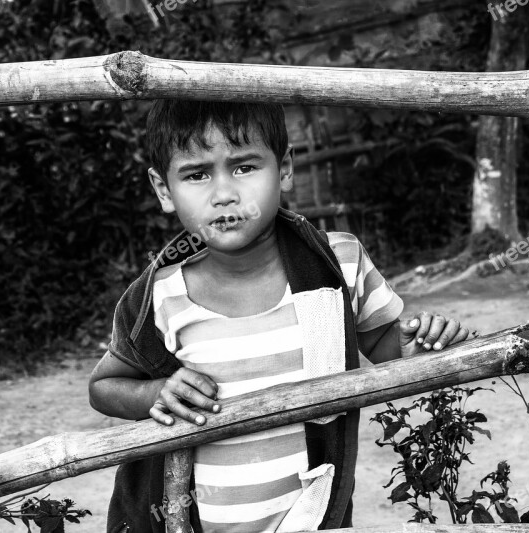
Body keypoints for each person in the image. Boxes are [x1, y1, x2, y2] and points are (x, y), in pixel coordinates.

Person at [88, 100, 471, 533]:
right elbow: (104, 387)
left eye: (245, 167)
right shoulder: (159, 295)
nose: (224, 194)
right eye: (196, 174)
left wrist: (413, 345)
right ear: (163, 189)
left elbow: (386, 348)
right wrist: (155, 393)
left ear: (284, 168)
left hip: (314, 516)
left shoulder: (336, 263)